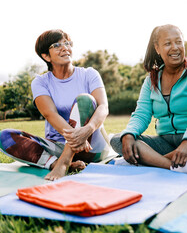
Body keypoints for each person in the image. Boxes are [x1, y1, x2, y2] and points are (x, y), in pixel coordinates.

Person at [110, 24, 187, 175]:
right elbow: (142, 114)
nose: (175, 48)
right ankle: (174, 166)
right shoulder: (152, 79)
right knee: (119, 139)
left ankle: (148, 161)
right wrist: (129, 134)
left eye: (178, 42)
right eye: (168, 43)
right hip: (165, 142)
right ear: (157, 48)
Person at [0, 29, 110, 181]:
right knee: (6, 136)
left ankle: (64, 163)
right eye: (57, 45)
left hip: (91, 146)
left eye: (67, 43)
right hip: (57, 146)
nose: (65, 47)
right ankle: (56, 163)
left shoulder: (89, 74)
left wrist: (86, 131)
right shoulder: (40, 82)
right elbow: (50, 114)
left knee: (84, 100)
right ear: (45, 56)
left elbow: (103, 107)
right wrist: (75, 138)